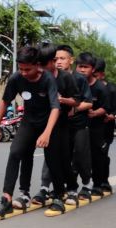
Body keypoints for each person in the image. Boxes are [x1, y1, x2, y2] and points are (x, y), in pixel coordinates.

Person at [0, 47, 60, 217]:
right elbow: (5, 102)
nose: (24, 73)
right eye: (21, 69)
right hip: (28, 121)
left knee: (52, 157)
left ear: (37, 65)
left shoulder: (48, 79)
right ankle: (8, 197)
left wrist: (47, 133)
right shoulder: (16, 78)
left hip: (47, 122)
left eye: (28, 69)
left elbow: (55, 107)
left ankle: (59, 194)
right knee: (16, 153)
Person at [30, 43, 80, 206]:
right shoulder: (38, 77)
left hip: (62, 123)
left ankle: (72, 188)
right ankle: (53, 191)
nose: (41, 68)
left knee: (64, 158)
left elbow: (76, 101)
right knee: (51, 159)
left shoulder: (66, 77)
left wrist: (61, 100)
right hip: (44, 123)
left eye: (60, 58)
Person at [55, 45, 94, 199]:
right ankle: (66, 186)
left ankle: (86, 183)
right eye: (55, 59)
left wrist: (74, 109)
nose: (58, 62)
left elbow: (89, 102)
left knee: (80, 154)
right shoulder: (52, 78)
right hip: (61, 124)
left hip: (79, 125)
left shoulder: (79, 79)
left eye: (62, 58)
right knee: (63, 156)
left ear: (70, 60)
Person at [76, 52, 110, 196]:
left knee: (97, 157)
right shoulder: (74, 83)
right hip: (79, 127)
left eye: (86, 67)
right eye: (80, 67)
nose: (82, 70)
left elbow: (106, 107)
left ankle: (98, 184)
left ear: (93, 70)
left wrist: (95, 113)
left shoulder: (101, 88)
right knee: (79, 157)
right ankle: (78, 185)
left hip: (97, 128)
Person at [94, 58, 116, 192]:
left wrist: (112, 115)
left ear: (102, 74)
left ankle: (103, 181)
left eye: (96, 75)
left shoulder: (112, 89)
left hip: (106, 128)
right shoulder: (88, 88)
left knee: (102, 155)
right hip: (91, 127)